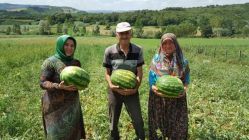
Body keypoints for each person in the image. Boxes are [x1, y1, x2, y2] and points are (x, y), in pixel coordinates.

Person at [103, 22, 145, 140]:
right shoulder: (109, 51)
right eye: (121, 33)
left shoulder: (138, 50)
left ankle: (141, 137)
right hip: (114, 92)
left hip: (132, 91)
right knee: (113, 122)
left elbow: (139, 72)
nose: (124, 36)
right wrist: (111, 84)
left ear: (130, 33)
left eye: (127, 33)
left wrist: (135, 89)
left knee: (137, 120)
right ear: (117, 34)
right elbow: (107, 73)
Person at [40, 35, 86, 140]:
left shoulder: (76, 63)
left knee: (73, 133)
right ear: (60, 45)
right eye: (66, 45)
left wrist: (82, 85)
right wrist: (58, 86)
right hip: (54, 106)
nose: (69, 48)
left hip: (72, 105)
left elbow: (79, 80)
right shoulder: (50, 62)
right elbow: (42, 82)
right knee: (56, 134)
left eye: (72, 45)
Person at [148, 33, 190, 140]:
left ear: (175, 44)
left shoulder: (183, 61)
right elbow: (151, 81)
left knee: (178, 129)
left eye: (170, 43)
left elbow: (186, 81)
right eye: (164, 43)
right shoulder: (156, 60)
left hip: (177, 100)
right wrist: (154, 89)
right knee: (159, 127)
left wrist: (184, 90)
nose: (167, 46)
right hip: (158, 99)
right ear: (161, 45)